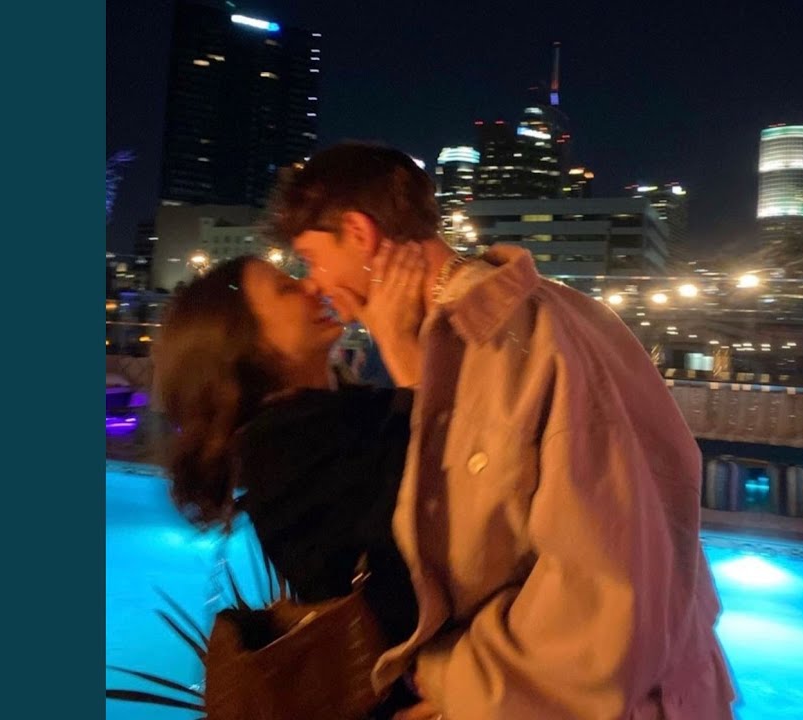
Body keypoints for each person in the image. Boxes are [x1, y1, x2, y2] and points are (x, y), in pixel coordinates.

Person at [275, 142, 737, 720]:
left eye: (311, 259)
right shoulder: (553, 311)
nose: (313, 283)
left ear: (358, 232)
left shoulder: (506, 344)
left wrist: (444, 677)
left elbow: (598, 610)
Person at [151, 249, 432, 716]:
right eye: (287, 288)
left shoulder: (343, 413)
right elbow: (437, 498)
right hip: (416, 692)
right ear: (249, 345)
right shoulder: (279, 453)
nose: (312, 286)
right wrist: (402, 348)